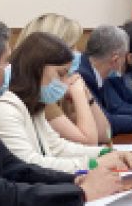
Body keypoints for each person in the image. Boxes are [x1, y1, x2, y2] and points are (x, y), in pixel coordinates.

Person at [0, 14, 120, 204]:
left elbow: (11, 167)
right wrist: (81, 194)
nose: (11, 67)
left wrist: (74, 181)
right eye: (5, 61)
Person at [0, 32, 132, 173]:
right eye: (61, 74)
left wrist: (105, 153)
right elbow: (29, 164)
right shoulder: (4, 109)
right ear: (37, 69)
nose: (65, 83)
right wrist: (93, 164)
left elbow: (57, 147)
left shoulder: (33, 106)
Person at [17, 13, 110, 145]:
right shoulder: (42, 94)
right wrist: (79, 94)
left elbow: (105, 134)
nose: (77, 53)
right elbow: (88, 142)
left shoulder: (61, 87)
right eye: (71, 47)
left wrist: (88, 97)